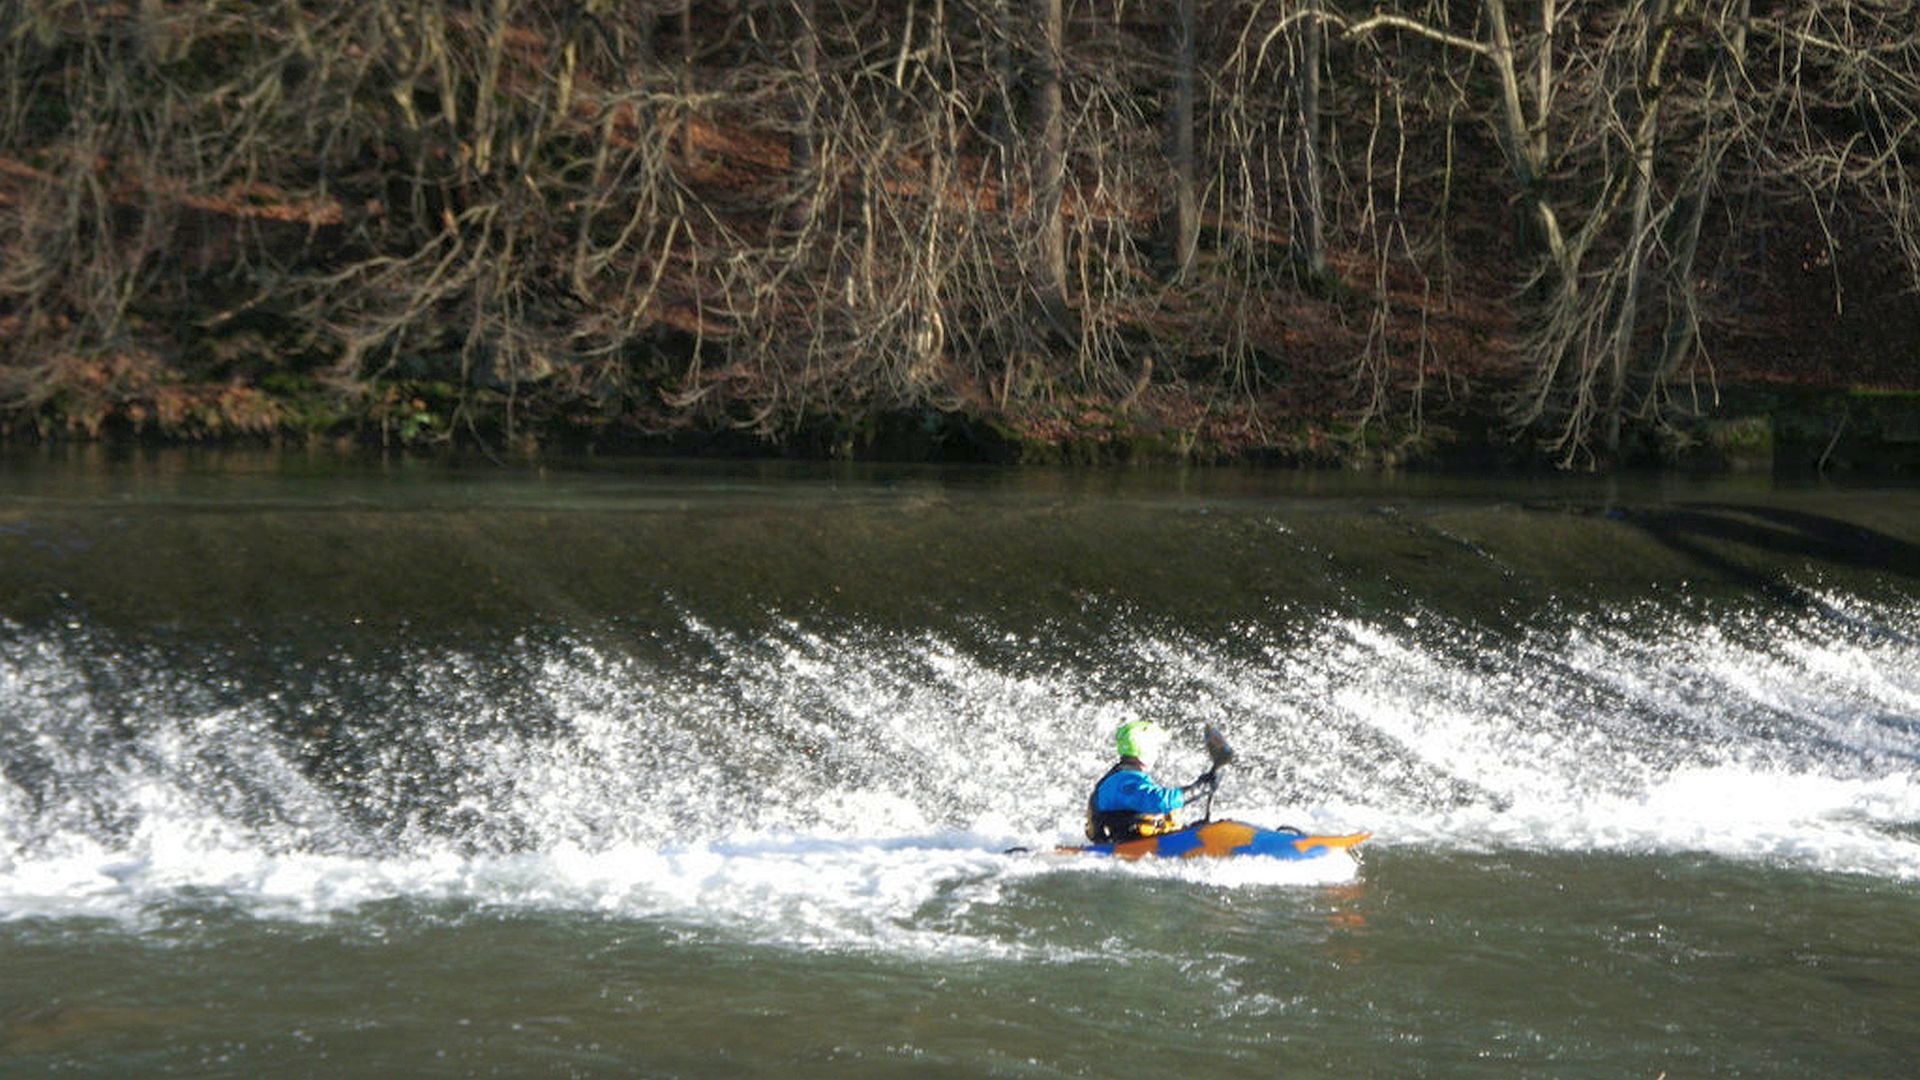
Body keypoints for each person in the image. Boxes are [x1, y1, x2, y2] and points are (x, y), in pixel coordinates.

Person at [1085, 719, 1220, 842]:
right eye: (1154, 746)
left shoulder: (1121, 778)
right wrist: (1201, 789)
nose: (1157, 752)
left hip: (1138, 843)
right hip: (1128, 847)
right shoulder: (1124, 781)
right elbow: (1160, 801)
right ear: (1144, 749)